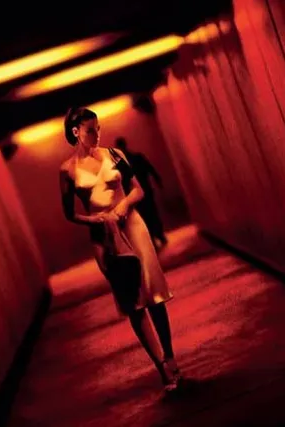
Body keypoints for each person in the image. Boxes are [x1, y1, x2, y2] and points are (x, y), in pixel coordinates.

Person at [59, 106, 182, 392]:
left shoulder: (115, 155)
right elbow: (69, 213)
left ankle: (170, 355)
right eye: (91, 130)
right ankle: (161, 368)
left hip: (133, 226)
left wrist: (124, 205)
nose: (97, 134)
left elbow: (138, 189)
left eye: (98, 128)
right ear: (76, 132)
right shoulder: (68, 170)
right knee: (133, 303)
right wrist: (95, 220)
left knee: (154, 294)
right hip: (104, 237)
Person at [114, 137, 168, 249]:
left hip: (135, 194)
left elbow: (120, 182)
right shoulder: (136, 157)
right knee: (152, 214)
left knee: (145, 216)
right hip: (145, 190)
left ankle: (154, 238)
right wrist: (158, 182)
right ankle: (159, 235)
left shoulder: (121, 164)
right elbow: (150, 169)